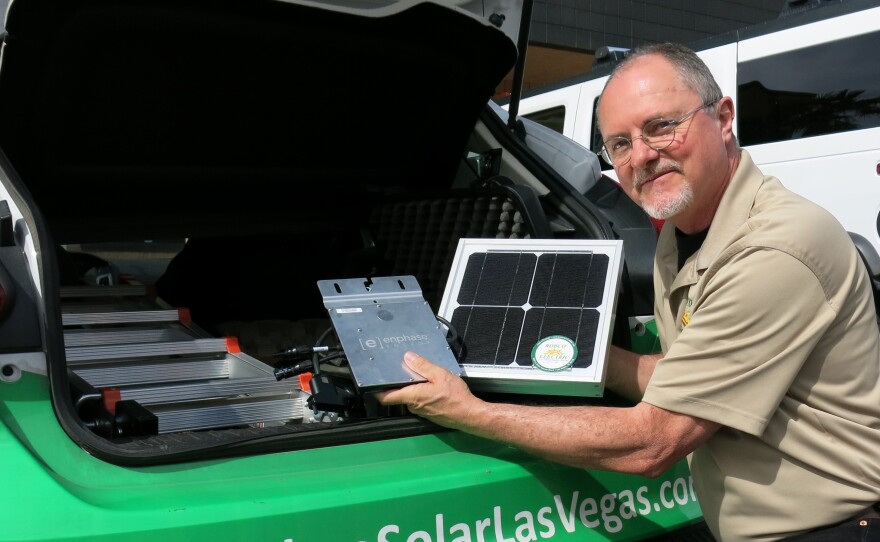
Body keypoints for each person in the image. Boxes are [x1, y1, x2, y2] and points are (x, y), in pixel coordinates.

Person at [375, 42, 880, 541]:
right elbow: (684, 374)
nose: (640, 156)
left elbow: (653, 444)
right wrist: (566, 350)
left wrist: (466, 410)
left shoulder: (774, 248)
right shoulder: (682, 232)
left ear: (724, 117)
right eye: (619, 143)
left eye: (662, 126)